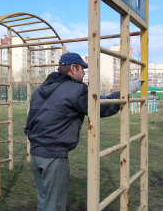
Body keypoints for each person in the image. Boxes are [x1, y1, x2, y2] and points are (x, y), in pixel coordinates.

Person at [24, 53, 141, 211]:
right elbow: (100, 107)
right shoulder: (75, 89)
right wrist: (124, 92)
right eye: (82, 68)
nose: (84, 72)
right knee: (54, 206)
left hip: (36, 153)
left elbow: (29, 122)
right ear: (73, 68)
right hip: (54, 155)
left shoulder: (40, 90)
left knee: (44, 200)